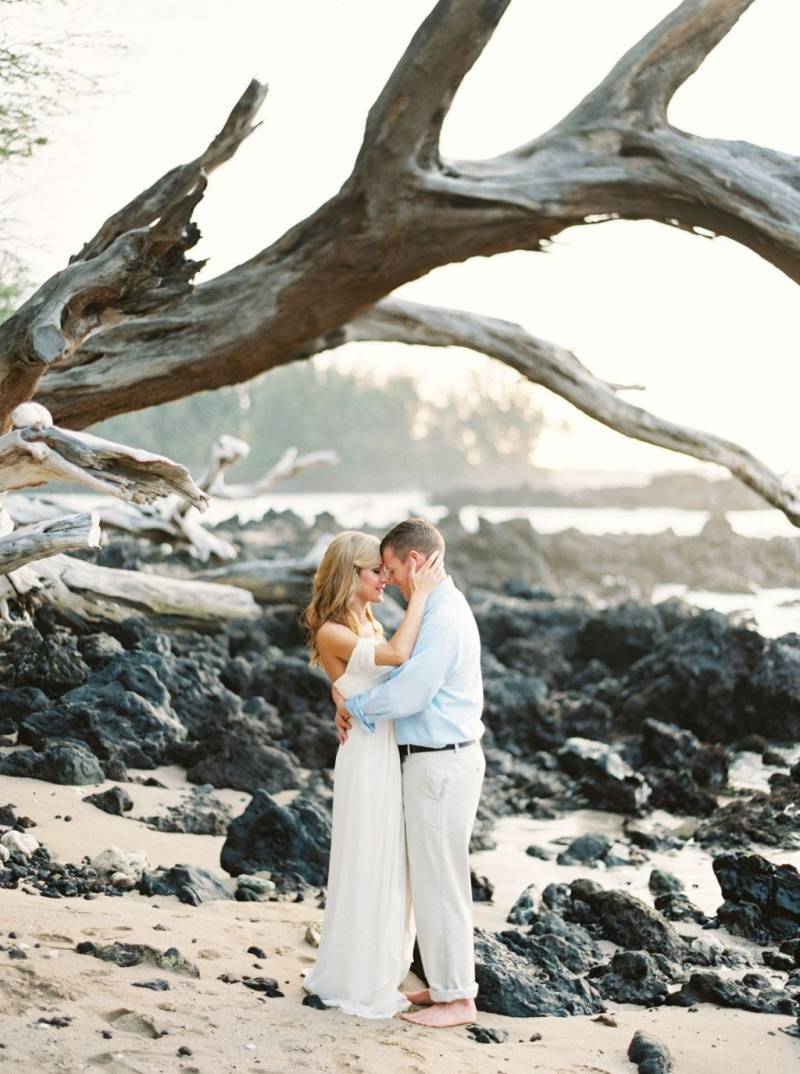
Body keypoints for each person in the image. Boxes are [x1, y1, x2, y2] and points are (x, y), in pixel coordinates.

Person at [335, 518, 485, 1029]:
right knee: (432, 878)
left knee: (441, 882)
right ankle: (445, 987)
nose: (392, 578)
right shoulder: (439, 609)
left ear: (416, 562)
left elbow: (412, 690)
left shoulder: (442, 616)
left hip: (441, 760)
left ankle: (458, 999)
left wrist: (356, 704)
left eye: (394, 567)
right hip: (438, 757)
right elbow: (404, 672)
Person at [302, 529, 444, 1018]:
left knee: (390, 859)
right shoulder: (332, 629)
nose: (386, 578)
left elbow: (343, 688)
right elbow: (398, 657)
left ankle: (381, 966)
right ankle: (356, 975)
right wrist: (421, 596)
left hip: (385, 746)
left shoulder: (366, 619)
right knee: (367, 856)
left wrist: (339, 700)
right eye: (375, 571)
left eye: (386, 570)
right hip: (365, 754)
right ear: (350, 574)